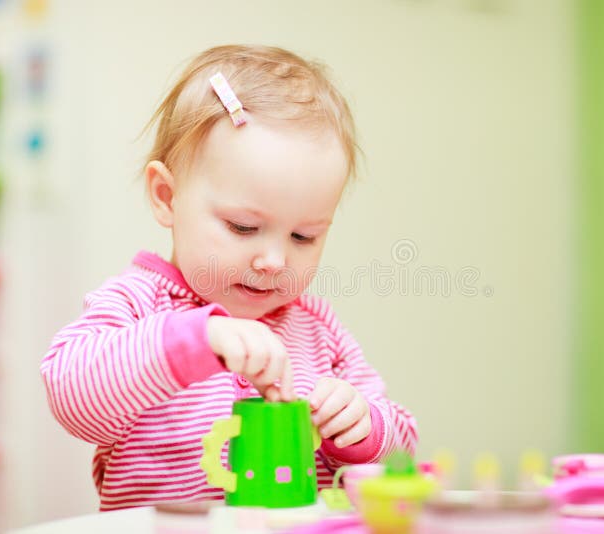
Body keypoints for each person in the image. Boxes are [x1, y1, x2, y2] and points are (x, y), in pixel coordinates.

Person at [40, 44, 418, 511]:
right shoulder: (139, 305)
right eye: (244, 227)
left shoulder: (318, 330)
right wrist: (195, 341)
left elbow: (403, 452)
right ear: (166, 197)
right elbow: (72, 398)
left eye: (304, 236)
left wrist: (364, 431)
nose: (274, 260)